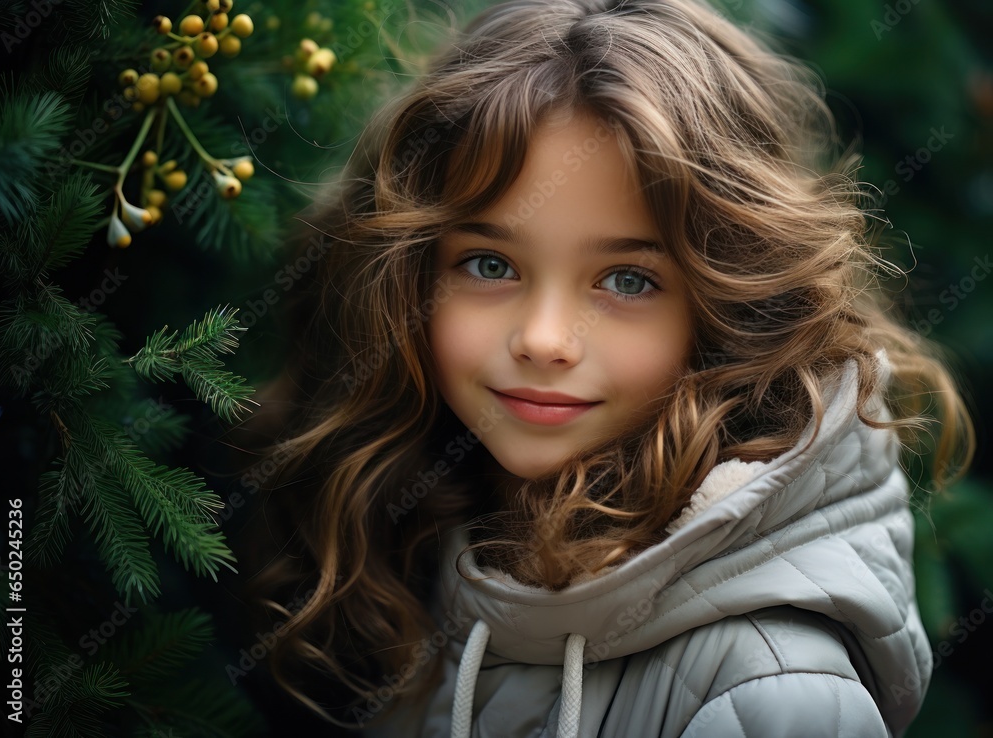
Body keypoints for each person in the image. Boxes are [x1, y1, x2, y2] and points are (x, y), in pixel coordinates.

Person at [248, 0, 975, 735]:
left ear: (731, 307)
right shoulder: (422, 551)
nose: (543, 339)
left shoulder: (776, 694)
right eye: (489, 264)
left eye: (627, 280)